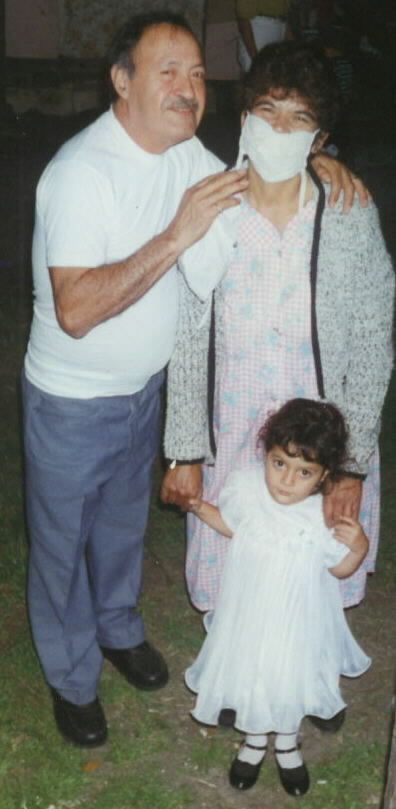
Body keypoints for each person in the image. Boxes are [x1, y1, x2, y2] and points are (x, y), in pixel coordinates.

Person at [22, 12, 367, 749]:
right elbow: (76, 310)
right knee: (61, 547)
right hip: (72, 401)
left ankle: (118, 630)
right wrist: (176, 235)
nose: (187, 88)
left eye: (198, 75)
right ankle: (72, 675)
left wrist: (323, 163)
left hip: (140, 393)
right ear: (122, 79)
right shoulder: (79, 174)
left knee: (118, 533)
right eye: (167, 71)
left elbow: (269, 164)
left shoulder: (186, 155)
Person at [161, 42, 394, 622]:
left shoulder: (347, 213)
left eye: (299, 118)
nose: (279, 127)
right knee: (235, 554)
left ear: (319, 141)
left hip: (319, 433)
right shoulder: (211, 209)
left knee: (311, 555)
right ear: (244, 118)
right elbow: (188, 336)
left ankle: (305, 663)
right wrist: (184, 451)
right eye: (267, 109)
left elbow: (371, 341)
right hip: (233, 422)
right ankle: (239, 660)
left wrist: (351, 463)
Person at [184, 398, 371, 796]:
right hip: (249, 612)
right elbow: (233, 526)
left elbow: (338, 568)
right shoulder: (248, 488)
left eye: (304, 472)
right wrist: (202, 509)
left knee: (288, 676)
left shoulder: (324, 515)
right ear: (266, 455)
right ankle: (254, 740)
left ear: (323, 477)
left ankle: (286, 743)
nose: (286, 481)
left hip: (297, 620)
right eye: (279, 464)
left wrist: (358, 548)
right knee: (253, 671)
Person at [236, 0, 290, 71]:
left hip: (280, 24)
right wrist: (255, 58)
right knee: (256, 72)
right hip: (259, 28)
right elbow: (243, 20)